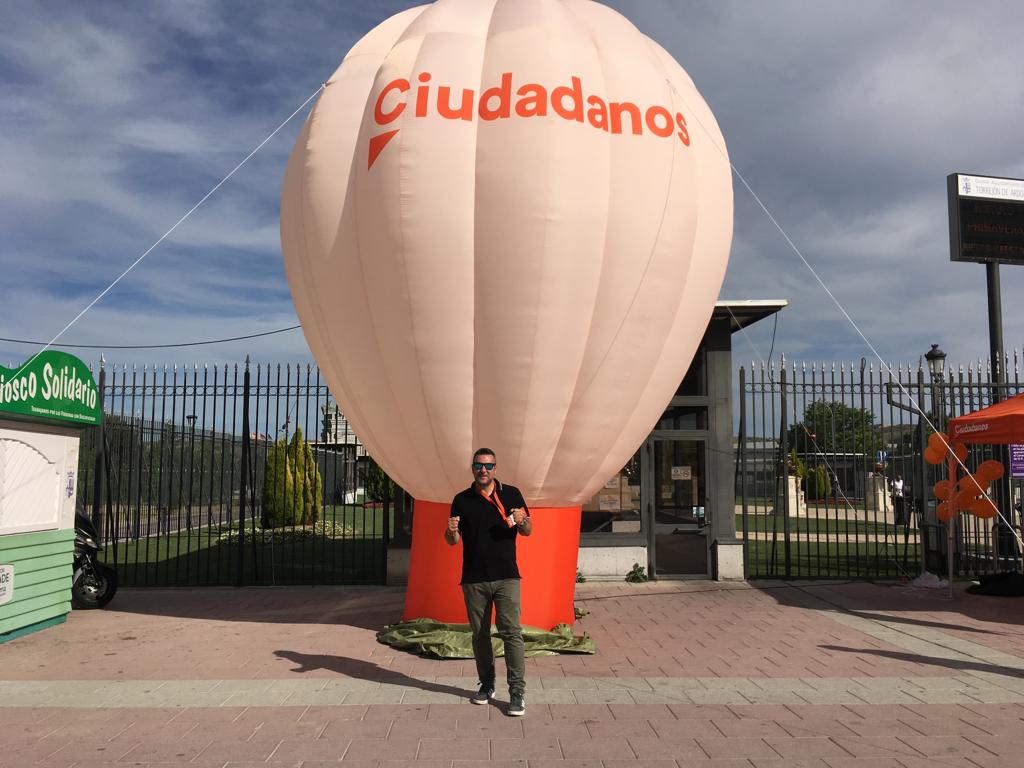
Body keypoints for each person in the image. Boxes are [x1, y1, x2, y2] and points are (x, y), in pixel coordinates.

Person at [445, 447, 531, 716]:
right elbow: (452, 541)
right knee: (480, 635)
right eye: (478, 465)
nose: (484, 470)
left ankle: (517, 692)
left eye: (488, 466)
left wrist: (522, 520)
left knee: (511, 633)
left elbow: (527, 530)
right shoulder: (461, 499)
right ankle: (487, 684)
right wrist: (450, 532)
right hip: (474, 578)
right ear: (472, 468)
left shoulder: (512, 493)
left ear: (496, 468)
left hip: (507, 576)